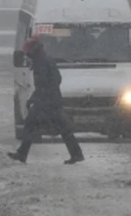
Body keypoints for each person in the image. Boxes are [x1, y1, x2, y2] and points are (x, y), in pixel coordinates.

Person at [8, 36, 84, 165]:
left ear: (33, 51)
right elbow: (57, 79)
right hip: (52, 100)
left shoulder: (40, 63)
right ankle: (76, 154)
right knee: (63, 128)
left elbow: (43, 84)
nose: (26, 55)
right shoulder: (46, 59)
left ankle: (22, 154)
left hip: (45, 101)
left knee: (30, 125)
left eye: (27, 52)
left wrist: (34, 99)